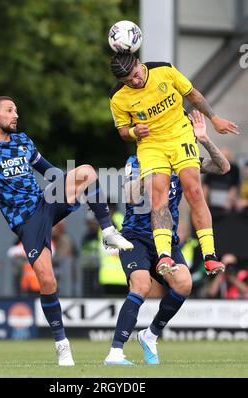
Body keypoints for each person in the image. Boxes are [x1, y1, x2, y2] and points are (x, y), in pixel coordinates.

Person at [0, 96, 133, 366]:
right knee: (47, 282)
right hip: (26, 223)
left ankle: (108, 231)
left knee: (85, 172)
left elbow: (49, 172)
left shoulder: (24, 141)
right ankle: (62, 345)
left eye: (16, 110)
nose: (16, 115)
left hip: (45, 204)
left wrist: (71, 190)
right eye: (10, 110)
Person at [104, 111, 230, 365]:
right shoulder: (139, 158)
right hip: (135, 236)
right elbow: (130, 196)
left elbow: (222, 167)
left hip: (166, 239)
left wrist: (203, 139)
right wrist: (151, 172)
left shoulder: (186, 160)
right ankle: (116, 351)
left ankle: (150, 336)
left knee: (184, 284)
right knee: (141, 285)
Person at [109, 52, 238, 277]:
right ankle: (164, 256)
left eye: (136, 76)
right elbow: (122, 131)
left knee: (195, 190)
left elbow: (193, 95)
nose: (135, 82)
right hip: (151, 145)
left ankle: (209, 256)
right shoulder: (118, 97)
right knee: (159, 197)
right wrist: (133, 131)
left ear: (139, 64)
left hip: (180, 136)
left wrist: (214, 119)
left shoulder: (164, 70)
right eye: (128, 81)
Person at [203, 147, 240, 216]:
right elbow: (206, 187)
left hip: (227, 203)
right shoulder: (211, 167)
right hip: (212, 202)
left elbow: (234, 187)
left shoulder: (234, 169)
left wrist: (229, 203)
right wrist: (204, 204)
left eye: (226, 158)